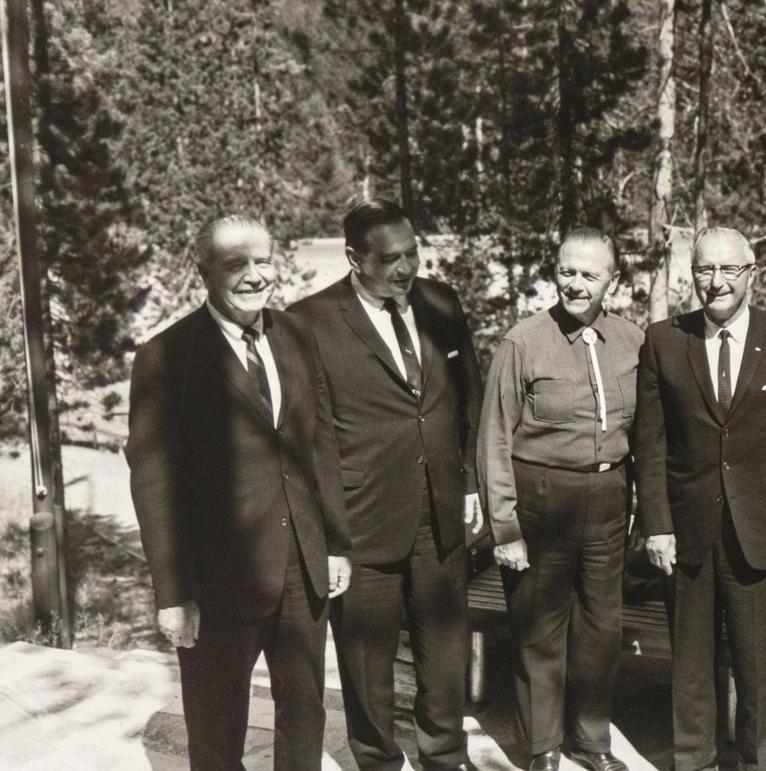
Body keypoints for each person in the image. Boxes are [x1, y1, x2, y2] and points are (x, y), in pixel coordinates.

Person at [127, 215, 352, 770]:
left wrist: (336, 542)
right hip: (216, 579)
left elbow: (319, 442)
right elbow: (153, 481)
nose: (255, 276)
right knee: (216, 723)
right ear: (204, 273)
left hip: (303, 565)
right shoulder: (166, 357)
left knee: (303, 712)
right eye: (236, 265)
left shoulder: (297, 335)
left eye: (264, 260)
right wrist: (172, 594)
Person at [288, 199, 483, 771]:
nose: (407, 268)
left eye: (414, 252)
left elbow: (467, 395)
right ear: (354, 258)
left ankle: (445, 756)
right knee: (367, 661)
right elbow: (312, 434)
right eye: (391, 259)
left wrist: (467, 480)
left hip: (441, 511)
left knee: (444, 651)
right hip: (362, 517)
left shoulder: (441, 302)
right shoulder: (310, 323)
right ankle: (377, 759)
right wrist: (330, 533)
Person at [635, 227, 766, 771]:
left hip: (760, 532)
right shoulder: (665, 339)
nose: (716, 282)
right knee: (690, 666)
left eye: (729, 270)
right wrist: (657, 524)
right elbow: (650, 440)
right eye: (705, 270)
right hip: (687, 531)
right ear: (692, 276)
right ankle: (696, 761)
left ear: (751, 274)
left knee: (758, 669)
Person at [477, 228, 643, 771]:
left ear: (611, 280)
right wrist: (504, 528)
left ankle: (591, 742)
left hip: (609, 498)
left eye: (589, 274)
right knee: (540, 629)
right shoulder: (522, 343)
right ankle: (542, 748)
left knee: (601, 627)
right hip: (540, 499)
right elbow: (494, 440)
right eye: (566, 271)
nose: (575, 284)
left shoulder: (633, 340)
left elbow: (645, 433)